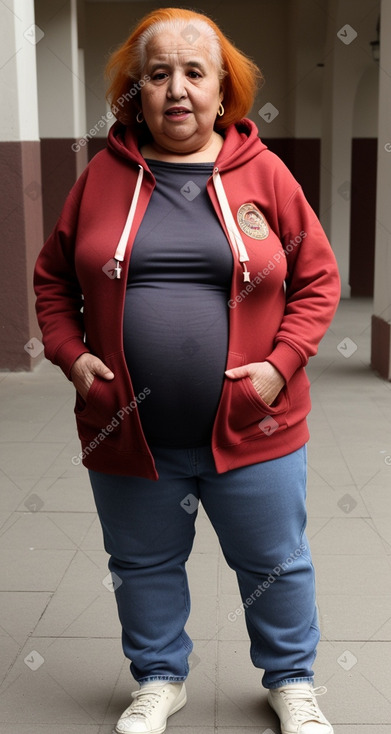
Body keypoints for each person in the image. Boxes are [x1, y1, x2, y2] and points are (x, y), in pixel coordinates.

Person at [34, 7, 340, 734]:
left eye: (194, 73)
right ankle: (158, 677)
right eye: (157, 73)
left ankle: (291, 682)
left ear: (223, 89)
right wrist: (73, 357)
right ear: (134, 90)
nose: (176, 89)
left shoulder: (264, 173)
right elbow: (52, 281)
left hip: (255, 426)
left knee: (275, 564)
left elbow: (317, 281)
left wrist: (278, 365)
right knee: (140, 563)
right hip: (126, 429)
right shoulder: (101, 178)